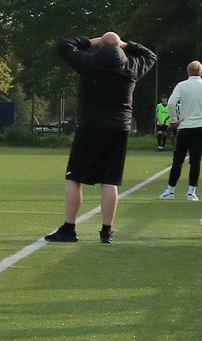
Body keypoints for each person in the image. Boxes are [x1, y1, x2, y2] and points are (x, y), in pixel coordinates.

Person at [43, 31, 158, 244]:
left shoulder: (88, 63)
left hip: (90, 126)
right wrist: (126, 44)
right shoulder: (131, 67)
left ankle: (69, 228)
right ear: (119, 48)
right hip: (119, 128)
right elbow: (150, 55)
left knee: (75, 177)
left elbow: (64, 45)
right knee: (109, 180)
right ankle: (106, 231)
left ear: (100, 47)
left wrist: (90, 41)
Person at [160, 61, 202, 201]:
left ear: (188, 72)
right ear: (201, 72)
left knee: (178, 160)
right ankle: (191, 192)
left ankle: (170, 191)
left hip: (184, 127)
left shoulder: (181, 86)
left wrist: (174, 119)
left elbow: (170, 103)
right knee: (196, 160)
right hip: (200, 127)